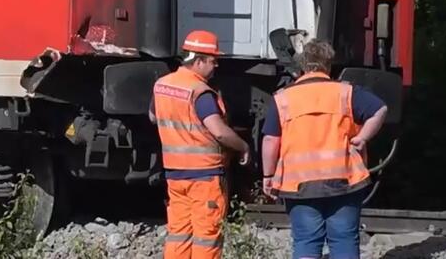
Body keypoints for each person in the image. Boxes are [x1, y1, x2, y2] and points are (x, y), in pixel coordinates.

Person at [261, 40, 388, 259]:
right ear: (328, 65)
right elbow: (380, 109)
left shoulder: (283, 98)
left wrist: (268, 175)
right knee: (344, 240)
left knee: (307, 241)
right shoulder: (346, 92)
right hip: (344, 181)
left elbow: (271, 140)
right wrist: (362, 138)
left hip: (299, 186)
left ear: (302, 65)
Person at [150, 30, 251, 259]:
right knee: (207, 236)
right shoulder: (200, 92)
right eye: (213, 61)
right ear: (198, 61)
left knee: (179, 234)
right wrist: (243, 146)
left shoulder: (162, 85)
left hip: (175, 174)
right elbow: (219, 132)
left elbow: (153, 117)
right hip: (204, 176)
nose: (216, 66)